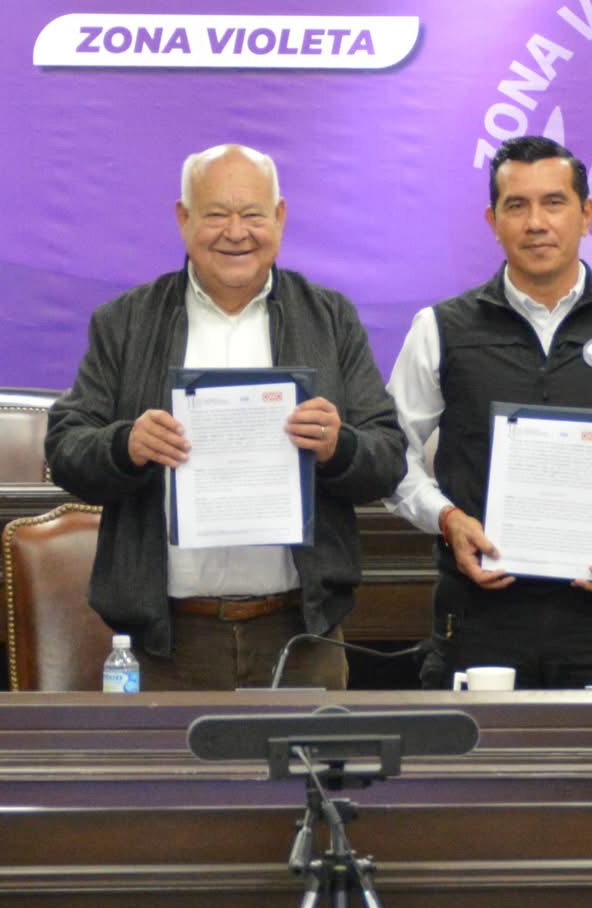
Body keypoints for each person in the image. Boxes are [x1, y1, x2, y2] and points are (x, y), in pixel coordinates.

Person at [44, 145, 405, 690]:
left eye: (252, 214)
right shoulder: (126, 321)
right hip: (167, 642)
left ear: (279, 216)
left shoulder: (330, 318)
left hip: (300, 635)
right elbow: (66, 448)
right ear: (183, 218)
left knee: (310, 754)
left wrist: (340, 446)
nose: (236, 232)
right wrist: (126, 446)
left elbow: (389, 455)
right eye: (216, 214)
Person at [386, 135, 592, 688]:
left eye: (554, 203)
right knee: (474, 749)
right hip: (479, 617)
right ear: (493, 220)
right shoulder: (441, 327)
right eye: (516, 206)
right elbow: (388, 451)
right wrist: (446, 519)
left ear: (587, 214)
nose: (536, 223)